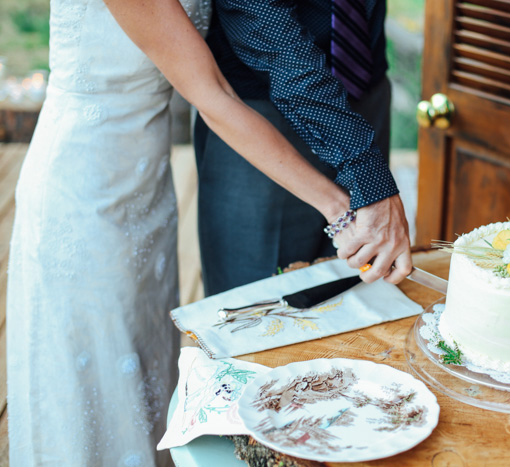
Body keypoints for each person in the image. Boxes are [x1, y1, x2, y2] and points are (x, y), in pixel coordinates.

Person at [6, 0, 411, 465]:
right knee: (93, 382)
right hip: (84, 190)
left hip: (147, 188)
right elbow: (214, 93)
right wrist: (342, 207)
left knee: (140, 369)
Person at [195, 0, 411, 295]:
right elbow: (272, 35)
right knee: (260, 305)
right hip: (263, 116)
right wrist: (370, 179)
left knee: (360, 295)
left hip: (364, 81)